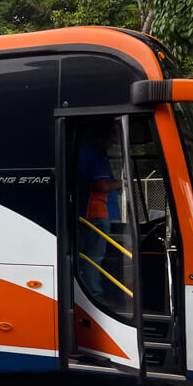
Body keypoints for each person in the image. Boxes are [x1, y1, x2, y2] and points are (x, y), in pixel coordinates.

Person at [77, 124, 122, 298]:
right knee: (94, 257)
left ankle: (91, 288)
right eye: (110, 141)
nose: (111, 146)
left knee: (88, 256)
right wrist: (122, 183)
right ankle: (94, 293)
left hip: (85, 212)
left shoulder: (82, 154)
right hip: (96, 213)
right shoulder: (97, 156)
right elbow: (102, 185)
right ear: (101, 139)